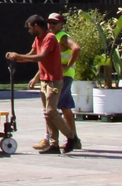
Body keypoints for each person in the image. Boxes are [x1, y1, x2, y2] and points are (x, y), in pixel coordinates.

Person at [7, 14, 81, 154]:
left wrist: (19, 56)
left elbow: (41, 57)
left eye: (30, 28)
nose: (29, 31)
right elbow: (31, 55)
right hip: (45, 80)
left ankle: (72, 137)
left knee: (51, 111)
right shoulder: (38, 39)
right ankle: (54, 144)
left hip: (55, 80)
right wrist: (15, 58)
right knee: (47, 114)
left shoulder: (50, 38)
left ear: (36, 26)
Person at [48, 12, 81, 132]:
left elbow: (76, 48)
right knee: (65, 107)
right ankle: (74, 138)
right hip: (62, 76)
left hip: (63, 76)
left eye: (54, 23)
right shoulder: (53, 37)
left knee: (52, 108)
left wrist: (68, 65)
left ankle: (56, 138)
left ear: (61, 24)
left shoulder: (62, 36)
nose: (51, 25)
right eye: (49, 22)